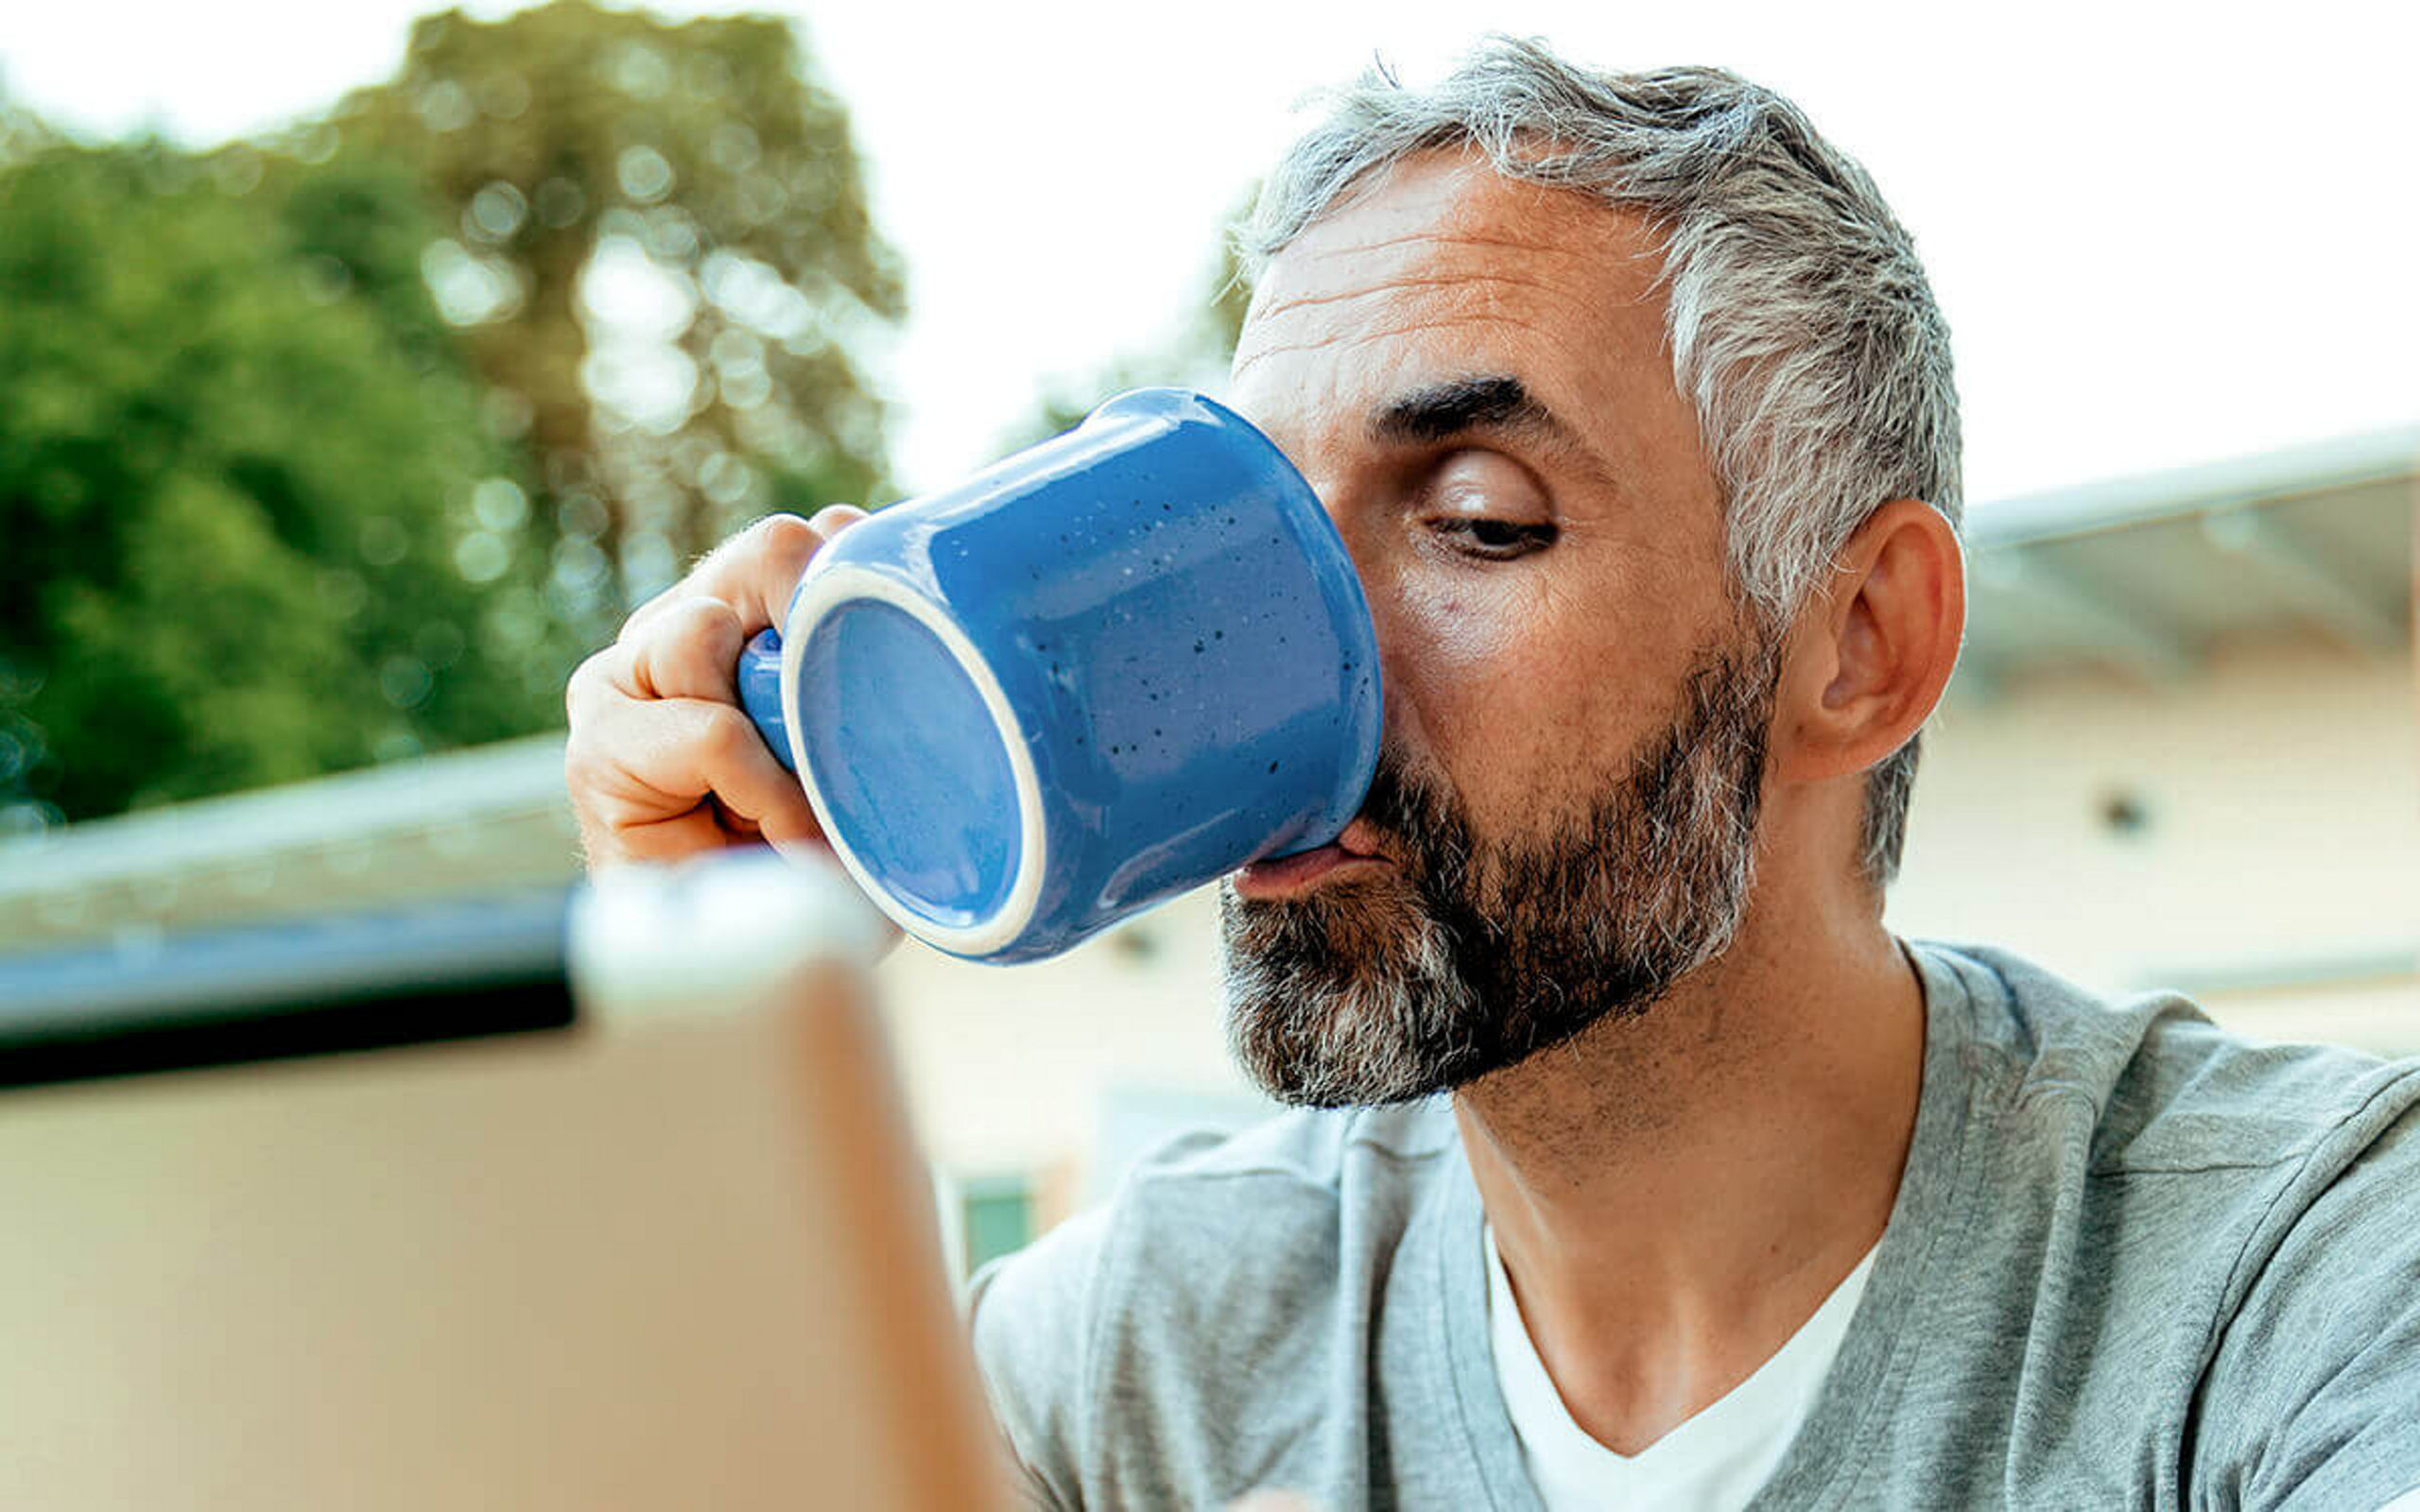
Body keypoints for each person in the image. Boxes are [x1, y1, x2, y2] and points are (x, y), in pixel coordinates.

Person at [563, 38, 2420, 1511]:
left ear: (1856, 638)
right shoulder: (1150, 1352)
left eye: (1473, 522)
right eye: (1253, 525)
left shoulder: (2297, 1281)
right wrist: (692, 1035)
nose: (1292, 657)